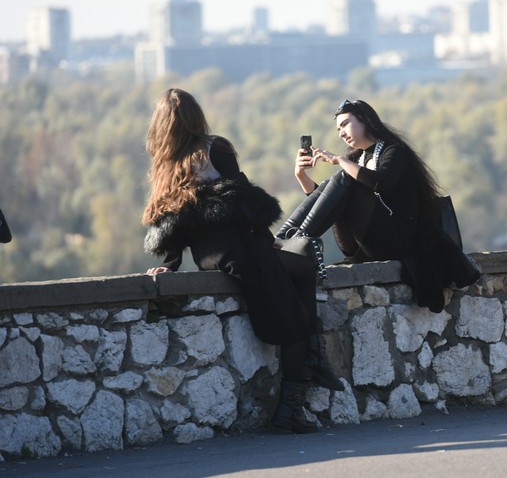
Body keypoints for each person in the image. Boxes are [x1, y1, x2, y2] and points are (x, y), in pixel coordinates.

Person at [141, 88, 341, 435]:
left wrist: (170, 266)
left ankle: (313, 357)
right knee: (295, 321)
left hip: (209, 257)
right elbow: (243, 200)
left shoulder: (165, 163)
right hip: (241, 249)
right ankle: (290, 407)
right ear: (195, 116)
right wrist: (267, 239)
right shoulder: (213, 147)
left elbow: (169, 220)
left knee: (302, 271)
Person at [275, 99, 479, 312]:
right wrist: (301, 176)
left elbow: (380, 182)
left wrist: (340, 161)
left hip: (397, 239)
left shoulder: (394, 151)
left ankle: (294, 244)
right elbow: (328, 202)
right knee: (331, 185)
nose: (341, 133)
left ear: (365, 120)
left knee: (343, 178)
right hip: (361, 245)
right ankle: (281, 241)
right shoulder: (357, 159)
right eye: (338, 129)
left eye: (345, 124)